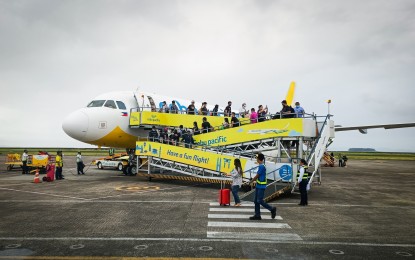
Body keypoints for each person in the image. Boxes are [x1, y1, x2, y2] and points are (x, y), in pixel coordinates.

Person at [249, 153, 277, 220]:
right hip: (259, 186)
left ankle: (272, 209)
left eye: (257, 158)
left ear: (259, 159)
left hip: (261, 186)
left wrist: (251, 181)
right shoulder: (261, 165)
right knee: (256, 201)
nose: (256, 159)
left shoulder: (261, 166)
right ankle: (257, 215)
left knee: (259, 200)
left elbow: (257, 175)